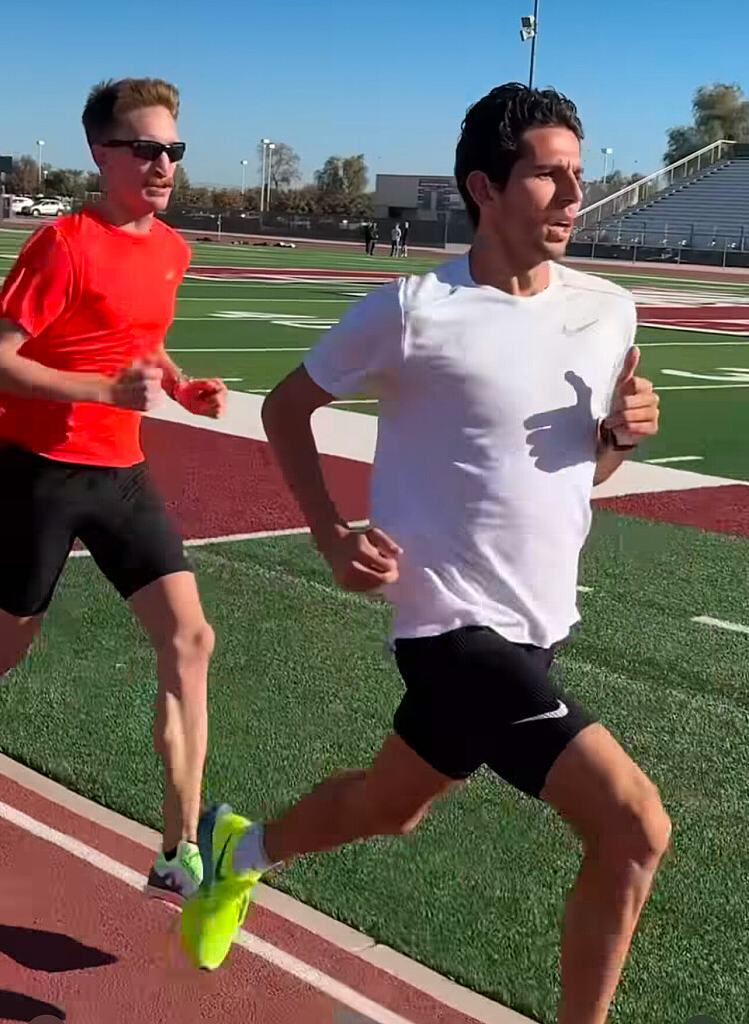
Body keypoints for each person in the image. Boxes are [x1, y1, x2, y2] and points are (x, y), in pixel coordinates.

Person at [181, 83, 671, 1024]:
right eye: (549, 175)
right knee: (634, 827)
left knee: (390, 806)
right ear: (485, 189)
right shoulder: (413, 309)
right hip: (449, 628)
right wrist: (329, 533)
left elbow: (588, 474)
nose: (576, 195)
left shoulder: (610, 312)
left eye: (579, 173)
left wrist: (619, 436)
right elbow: (285, 409)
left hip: (538, 626)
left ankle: (238, 851)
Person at [0, 77, 227, 905]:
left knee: (190, 639)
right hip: (38, 474)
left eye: (173, 150)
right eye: (146, 149)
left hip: (121, 474)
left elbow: (143, 341)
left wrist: (181, 384)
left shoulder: (171, 250)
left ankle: (179, 851)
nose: (163, 164)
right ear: (102, 153)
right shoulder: (63, 245)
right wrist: (102, 391)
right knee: (8, 648)